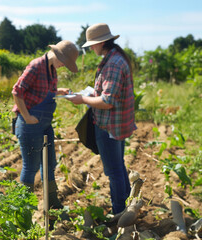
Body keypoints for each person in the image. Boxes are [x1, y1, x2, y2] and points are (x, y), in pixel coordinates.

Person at [68, 23, 136, 214]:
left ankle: (119, 212)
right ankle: (127, 207)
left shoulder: (113, 64)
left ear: (100, 43)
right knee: (118, 167)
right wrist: (91, 93)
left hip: (109, 125)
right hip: (116, 123)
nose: (90, 48)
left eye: (92, 44)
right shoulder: (115, 58)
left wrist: (82, 99)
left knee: (113, 171)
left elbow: (107, 101)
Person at [11, 40, 78, 217]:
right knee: (30, 167)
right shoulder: (35, 66)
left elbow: (41, 91)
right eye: (64, 61)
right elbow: (17, 91)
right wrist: (26, 116)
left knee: (49, 165)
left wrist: (59, 91)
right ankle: (23, 212)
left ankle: (53, 203)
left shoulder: (52, 69)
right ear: (56, 53)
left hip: (45, 124)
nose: (63, 65)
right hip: (30, 124)